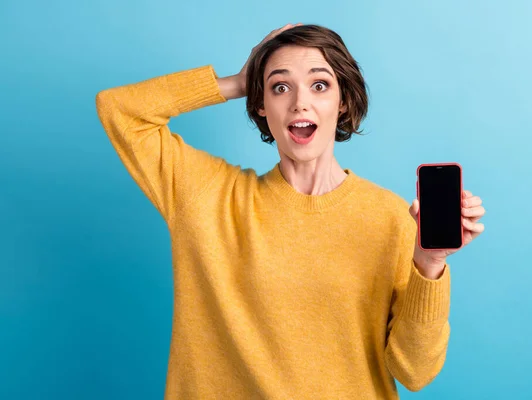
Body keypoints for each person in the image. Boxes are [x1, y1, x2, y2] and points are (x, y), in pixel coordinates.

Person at [95, 23, 485, 399]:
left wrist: (429, 262)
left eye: (320, 85)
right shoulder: (206, 196)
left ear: (343, 100)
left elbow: (415, 373)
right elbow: (119, 110)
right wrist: (236, 83)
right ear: (262, 106)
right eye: (280, 87)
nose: (300, 102)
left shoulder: (390, 218)